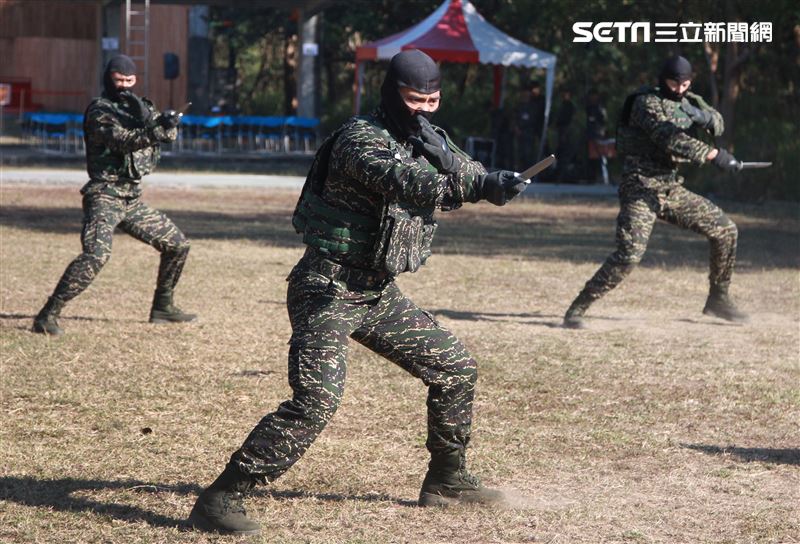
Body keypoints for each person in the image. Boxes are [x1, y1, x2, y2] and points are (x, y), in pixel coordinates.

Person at [188, 49, 527, 535]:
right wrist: (474, 186)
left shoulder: (425, 136)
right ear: (392, 95)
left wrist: (498, 180)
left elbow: (464, 169)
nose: (426, 110)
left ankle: (447, 481)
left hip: (376, 293)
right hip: (327, 287)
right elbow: (412, 184)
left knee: (456, 368)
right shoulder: (359, 140)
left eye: (433, 100)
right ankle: (221, 496)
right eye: (415, 99)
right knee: (316, 401)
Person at [563, 55, 747, 329]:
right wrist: (713, 154)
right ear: (663, 79)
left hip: (670, 187)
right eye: (675, 83)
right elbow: (669, 138)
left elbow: (718, 122)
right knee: (629, 255)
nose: (680, 89)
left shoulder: (689, 99)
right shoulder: (644, 102)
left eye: (685, 84)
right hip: (640, 187)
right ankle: (578, 308)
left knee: (726, 230)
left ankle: (718, 299)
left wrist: (704, 116)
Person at [31, 55, 195, 336]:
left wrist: (169, 122)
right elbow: (124, 142)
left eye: (129, 81)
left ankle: (163, 307)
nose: (124, 87)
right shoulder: (100, 111)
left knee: (177, 245)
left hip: (131, 198)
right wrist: (156, 129)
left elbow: (166, 136)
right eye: (118, 81)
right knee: (96, 255)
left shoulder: (141, 108)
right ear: (108, 79)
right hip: (104, 195)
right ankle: (48, 315)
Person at [513, 81, 546, 170]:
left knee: (528, 153)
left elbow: (533, 119)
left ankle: (529, 171)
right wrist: (516, 127)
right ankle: (520, 170)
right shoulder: (519, 106)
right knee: (520, 153)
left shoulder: (535, 105)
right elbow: (515, 117)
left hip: (529, 132)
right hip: (521, 133)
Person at [585, 88, 607, 182]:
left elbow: (603, 121)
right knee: (591, 157)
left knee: (600, 157)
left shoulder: (600, 107)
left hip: (598, 135)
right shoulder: (590, 107)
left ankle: (603, 177)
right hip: (590, 134)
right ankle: (591, 177)